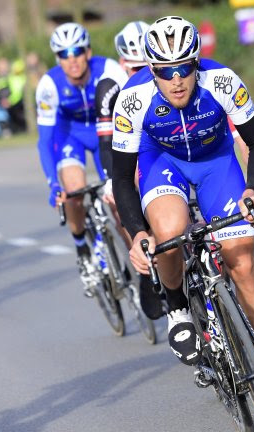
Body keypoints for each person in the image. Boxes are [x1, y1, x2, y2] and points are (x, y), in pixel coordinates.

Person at [112, 16, 254, 418]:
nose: (177, 79)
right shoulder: (131, 100)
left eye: (185, 68)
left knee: (242, 259)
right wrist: (136, 234)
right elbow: (121, 179)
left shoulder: (223, 80)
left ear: (197, 63)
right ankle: (178, 307)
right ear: (151, 70)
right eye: (166, 71)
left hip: (216, 162)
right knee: (169, 230)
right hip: (162, 161)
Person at [35, 22, 127, 295]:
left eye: (77, 51)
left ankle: (132, 262)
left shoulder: (109, 69)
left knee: (118, 197)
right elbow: (44, 140)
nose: (72, 59)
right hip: (70, 136)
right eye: (64, 54)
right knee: (74, 192)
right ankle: (83, 249)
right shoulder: (49, 84)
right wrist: (54, 184)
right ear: (57, 59)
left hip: (105, 132)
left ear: (87, 51)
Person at [94, 20, 165, 320]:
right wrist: (112, 179)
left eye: (145, 66)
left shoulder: (165, 78)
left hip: (165, 150)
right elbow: (107, 144)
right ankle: (143, 261)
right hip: (129, 153)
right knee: (123, 196)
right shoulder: (110, 89)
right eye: (134, 68)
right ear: (123, 63)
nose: (140, 74)